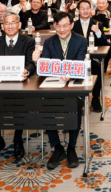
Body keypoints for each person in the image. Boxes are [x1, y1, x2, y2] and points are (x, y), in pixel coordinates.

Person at [32, 12, 88, 170]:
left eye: (65, 25)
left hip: (74, 84)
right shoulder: (49, 42)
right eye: (58, 26)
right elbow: (46, 67)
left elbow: (80, 62)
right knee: (46, 109)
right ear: (54, 26)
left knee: (74, 109)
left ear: (72, 25)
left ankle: (71, 147)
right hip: (54, 84)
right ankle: (57, 147)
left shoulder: (81, 40)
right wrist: (38, 61)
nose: (62, 29)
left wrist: (71, 74)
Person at [0, 12, 35, 161]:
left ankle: (18, 140)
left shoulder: (28, 41)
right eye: (7, 23)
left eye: (13, 23)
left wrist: (27, 71)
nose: (10, 26)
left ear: (19, 25)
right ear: (2, 26)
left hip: (19, 84)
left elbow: (31, 63)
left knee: (19, 105)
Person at [72, 0, 108, 113]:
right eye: (82, 8)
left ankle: (95, 98)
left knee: (98, 68)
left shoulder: (97, 24)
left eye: (87, 8)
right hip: (76, 58)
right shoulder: (73, 25)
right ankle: (77, 99)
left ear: (91, 10)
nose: (85, 11)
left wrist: (97, 32)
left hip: (92, 58)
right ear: (78, 10)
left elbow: (104, 43)